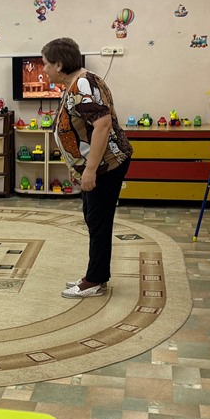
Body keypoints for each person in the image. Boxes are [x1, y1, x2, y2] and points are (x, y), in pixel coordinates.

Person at [42, 37, 133, 298]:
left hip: (106, 165)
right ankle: (96, 275)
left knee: (98, 221)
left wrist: (90, 169)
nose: (44, 69)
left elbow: (102, 126)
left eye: (46, 64)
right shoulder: (78, 82)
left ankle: (94, 280)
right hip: (96, 165)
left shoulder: (84, 83)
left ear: (59, 65)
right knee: (95, 220)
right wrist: (77, 168)